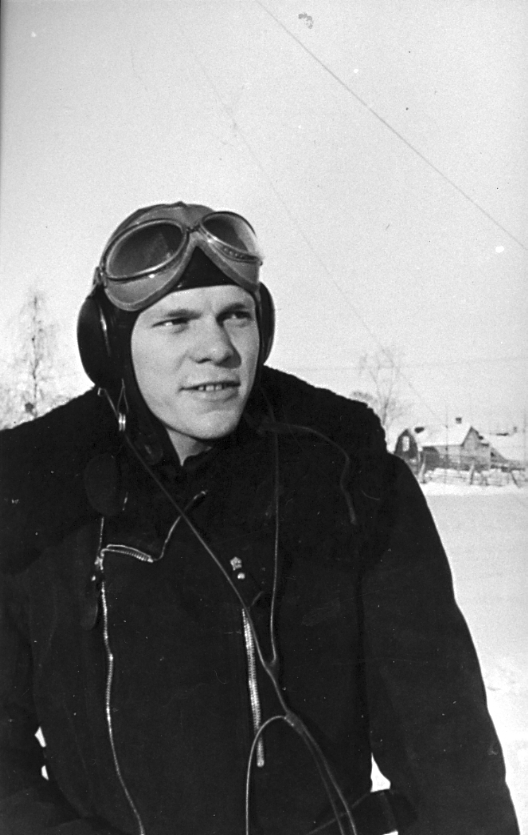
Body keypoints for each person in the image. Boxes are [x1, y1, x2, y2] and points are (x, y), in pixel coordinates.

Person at [0, 201, 519, 835]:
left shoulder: (344, 473)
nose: (216, 348)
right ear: (109, 344)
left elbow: (445, 739)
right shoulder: (33, 495)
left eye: (235, 316)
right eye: (176, 322)